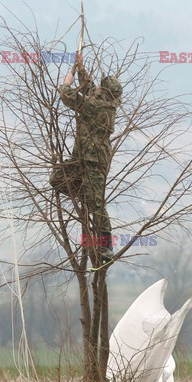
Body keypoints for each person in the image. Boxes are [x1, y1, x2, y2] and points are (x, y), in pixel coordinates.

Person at [55, 53, 122, 259]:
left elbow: (68, 96)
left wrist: (66, 83)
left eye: (100, 87)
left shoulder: (97, 106)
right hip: (83, 158)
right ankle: (83, 190)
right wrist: (80, 68)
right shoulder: (103, 102)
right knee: (57, 179)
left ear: (104, 92)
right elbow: (90, 88)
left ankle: (106, 246)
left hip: (94, 161)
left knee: (97, 204)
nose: (97, 88)